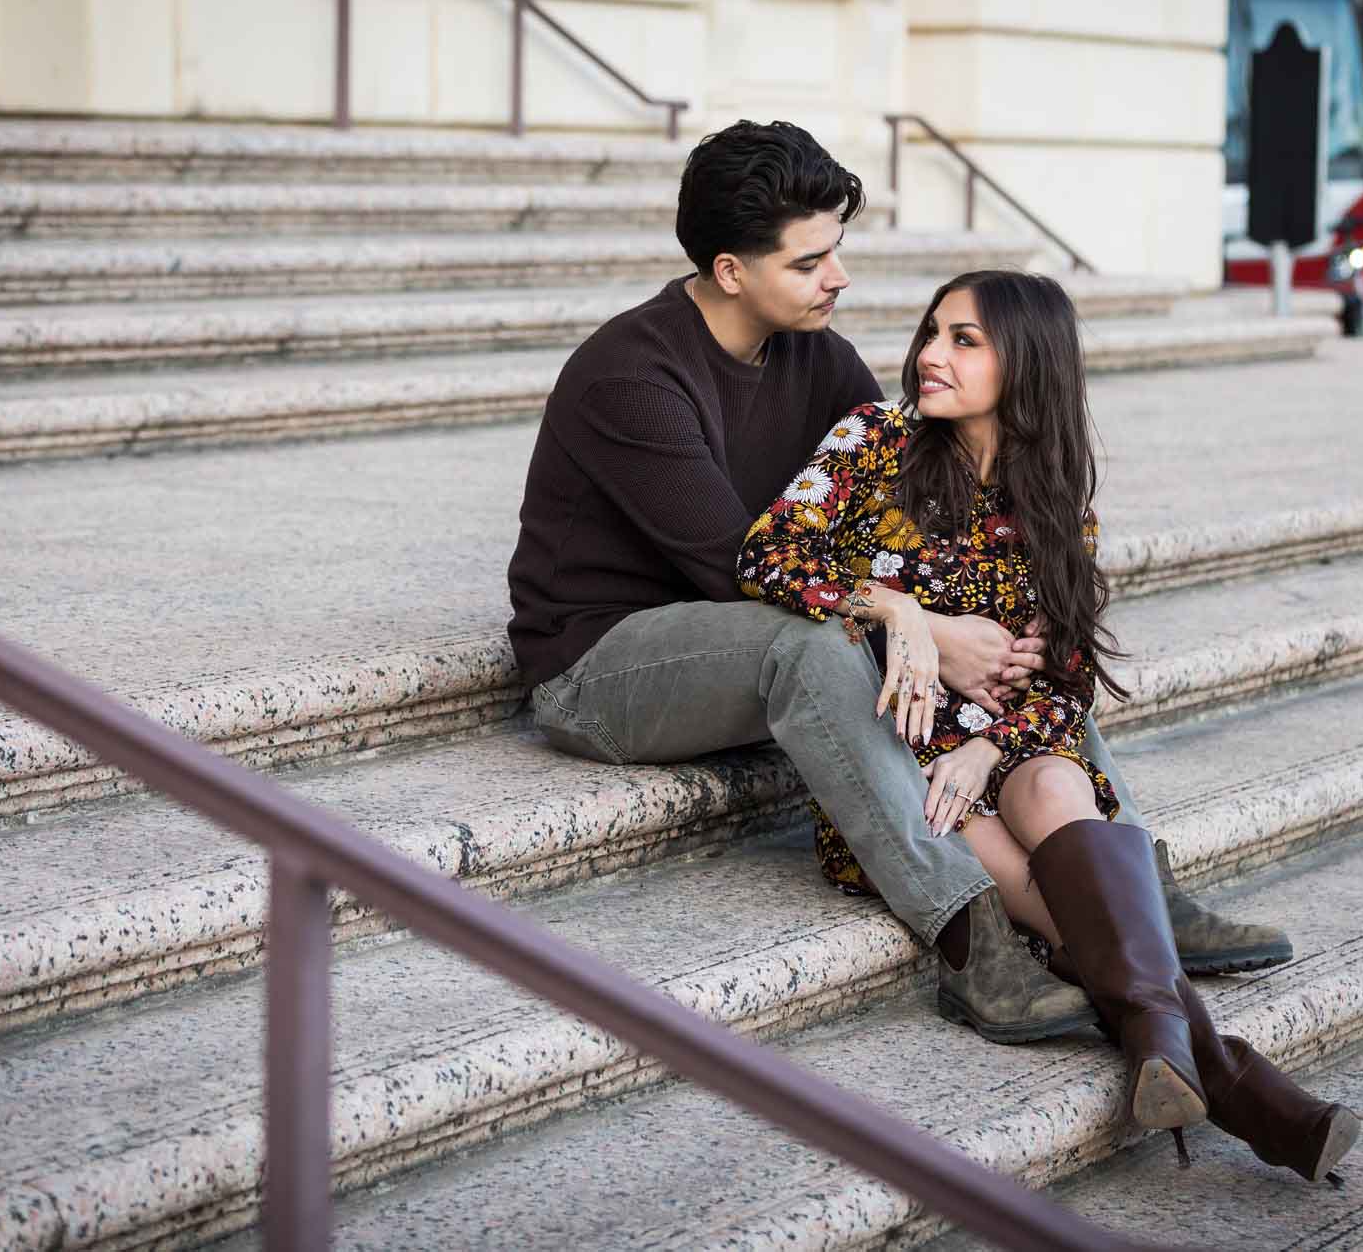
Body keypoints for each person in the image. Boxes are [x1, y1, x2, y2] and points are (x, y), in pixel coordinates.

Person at [507, 119, 1288, 1050]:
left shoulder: (818, 355)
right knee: (815, 640)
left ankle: (1134, 891)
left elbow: (896, 501)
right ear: (729, 271)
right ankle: (971, 940)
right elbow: (741, 565)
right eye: (810, 263)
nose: (837, 278)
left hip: (760, 624)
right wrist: (910, 616)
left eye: (837, 252)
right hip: (607, 663)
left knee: (1020, 648)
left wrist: (995, 637)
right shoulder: (631, 375)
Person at [737, 269, 1360, 1180]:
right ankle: (1221, 1068)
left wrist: (994, 740)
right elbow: (766, 554)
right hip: (895, 761)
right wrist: (902, 615)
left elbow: (1066, 676)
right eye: (933, 333)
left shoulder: (1057, 498)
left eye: (964, 341)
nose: (929, 357)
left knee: (1062, 779)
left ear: (1025, 365)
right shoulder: (875, 440)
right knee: (1013, 855)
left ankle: (1173, 1044)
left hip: (1002, 747)